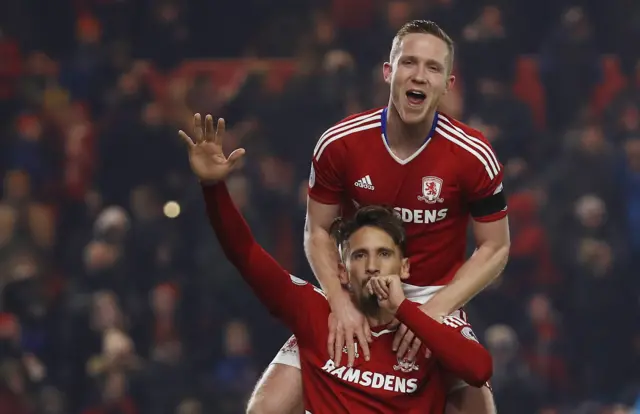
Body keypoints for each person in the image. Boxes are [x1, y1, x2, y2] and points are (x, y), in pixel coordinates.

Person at [251, 20, 510, 414]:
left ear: (448, 83)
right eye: (408, 62)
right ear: (388, 71)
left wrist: (435, 310)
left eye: (433, 67)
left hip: (432, 295)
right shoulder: (340, 143)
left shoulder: (473, 154)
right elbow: (317, 230)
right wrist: (339, 301)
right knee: (264, 408)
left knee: (481, 407)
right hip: (358, 288)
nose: (418, 75)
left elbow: (495, 246)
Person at [177, 113, 493, 413]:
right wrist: (213, 188)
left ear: (405, 267)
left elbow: (479, 370)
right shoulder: (316, 311)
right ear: (342, 270)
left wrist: (403, 311)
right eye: (359, 255)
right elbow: (244, 253)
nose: (372, 265)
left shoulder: (430, 325)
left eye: (384, 254)